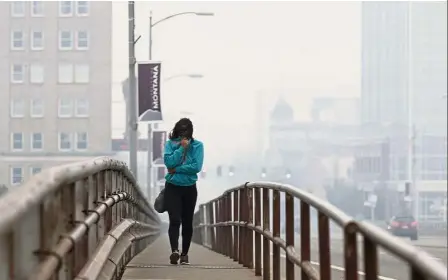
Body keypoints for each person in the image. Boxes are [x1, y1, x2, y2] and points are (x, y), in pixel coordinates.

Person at [163, 118, 204, 265]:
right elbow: (168, 162)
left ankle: (185, 254)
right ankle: (175, 250)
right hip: (172, 186)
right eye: (181, 131)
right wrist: (181, 148)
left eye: (186, 131)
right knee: (174, 220)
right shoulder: (170, 145)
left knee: (187, 222)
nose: (183, 135)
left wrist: (177, 169)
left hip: (189, 188)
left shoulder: (198, 146)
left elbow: (196, 167)